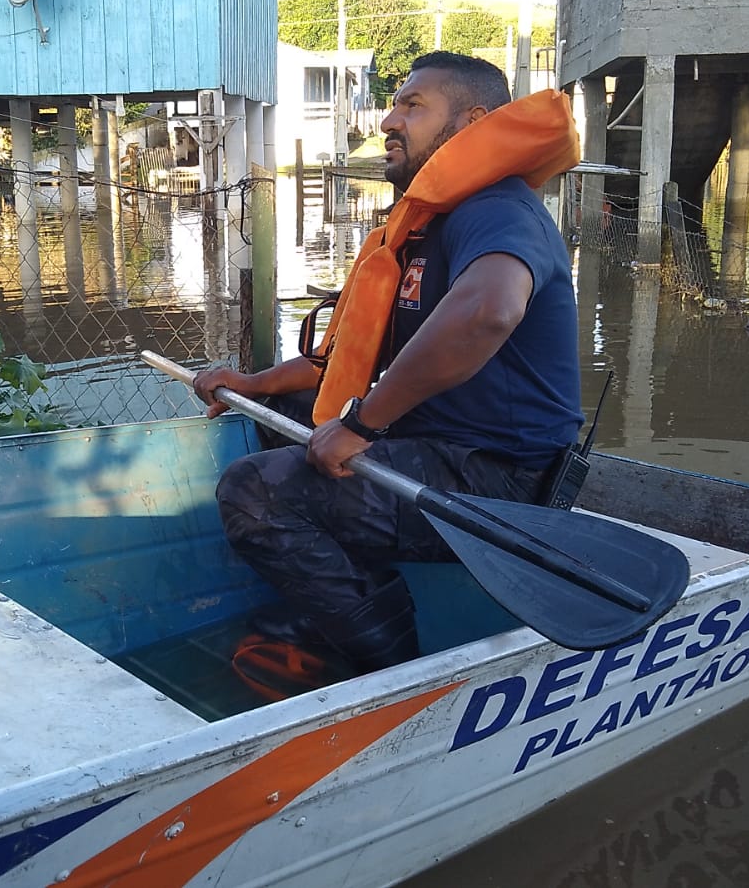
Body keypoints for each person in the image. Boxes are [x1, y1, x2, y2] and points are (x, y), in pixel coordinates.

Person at [192, 52, 583, 686]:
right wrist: (254, 386)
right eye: (395, 104)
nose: (387, 121)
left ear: (474, 120)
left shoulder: (497, 209)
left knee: (253, 492)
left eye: (413, 106)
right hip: (437, 444)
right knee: (280, 415)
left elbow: (489, 312)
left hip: (500, 480)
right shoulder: (426, 225)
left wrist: (363, 425)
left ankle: (390, 665)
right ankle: (348, 596)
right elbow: (349, 362)